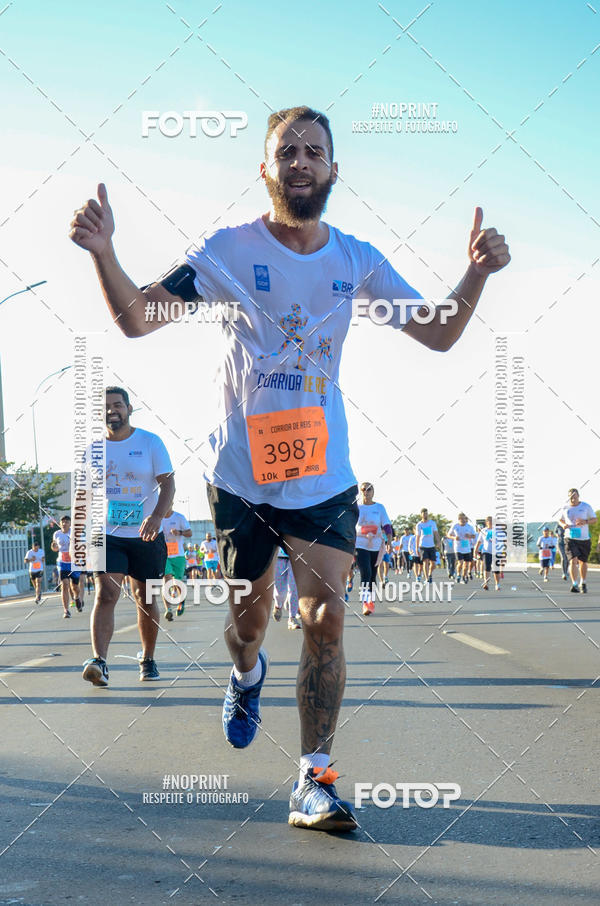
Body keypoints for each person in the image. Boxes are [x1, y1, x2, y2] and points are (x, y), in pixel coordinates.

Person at [69, 104, 510, 831]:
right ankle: (246, 675)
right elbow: (140, 318)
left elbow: (439, 333)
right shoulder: (228, 251)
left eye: (313, 151)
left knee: (325, 619)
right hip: (241, 480)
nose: (300, 161)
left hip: (323, 478)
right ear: (266, 169)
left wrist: (477, 272)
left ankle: (314, 779)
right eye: (287, 151)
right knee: (246, 627)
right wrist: (102, 252)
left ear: (334, 169)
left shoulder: (356, 259)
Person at [78, 388, 174, 685]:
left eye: (118, 405)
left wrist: (156, 516)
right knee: (106, 593)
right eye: (106, 407)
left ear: (129, 408)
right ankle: (99, 662)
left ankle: (148, 659)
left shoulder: (150, 442)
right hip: (107, 533)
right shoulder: (92, 451)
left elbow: (168, 484)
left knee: (146, 598)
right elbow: (84, 495)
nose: (112, 411)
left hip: (146, 534)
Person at [356, 482, 393, 615]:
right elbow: (349, 525)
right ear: (361, 492)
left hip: (376, 545)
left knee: (372, 575)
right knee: (365, 572)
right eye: (363, 490)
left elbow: (387, 525)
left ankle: (370, 601)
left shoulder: (379, 507)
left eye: (369, 489)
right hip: (360, 544)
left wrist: (389, 542)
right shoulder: (356, 507)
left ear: (373, 491)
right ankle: (365, 603)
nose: (366, 492)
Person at [559, 488, 596, 593]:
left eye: (574, 496)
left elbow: (595, 519)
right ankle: (574, 584)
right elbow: (560, 519)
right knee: (573, 560)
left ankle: (583, 582)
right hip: (570, 538)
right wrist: (563, 524)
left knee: (583, 562)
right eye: (570, 497)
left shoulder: (585, 506)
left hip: (584, 538)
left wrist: (585, 521)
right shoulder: (565, 507)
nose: (573, 499)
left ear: (578, 496)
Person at [162, 507, 192, 619]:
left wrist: (179, 532)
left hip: (178, 555)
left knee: (177, 582)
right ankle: (168, 609)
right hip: (164, 555)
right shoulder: (158, 517)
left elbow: (190, 533)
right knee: (167, 578)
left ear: (171, 503)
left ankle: (181, 601)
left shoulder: (179, 517)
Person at [52, 516, 83, 616]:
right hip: (62, 563)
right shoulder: (56, 534)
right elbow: (55, 548)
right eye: (62, 522)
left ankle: (77, 598)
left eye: (66, 522)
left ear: (70, 524)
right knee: (64, 584)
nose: (64, 523)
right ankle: (66, 610)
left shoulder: (74, 533)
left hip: (74, 563)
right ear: (60, 523)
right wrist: (54, 547)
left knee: (75, 587)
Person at [272, 546, 302, 629]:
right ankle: (278, 605)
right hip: (279, 555)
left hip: (296, 556)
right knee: (280, 590)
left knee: (293, 588)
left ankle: (292, 618)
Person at [474, 517, 501, 591]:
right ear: (486, 522)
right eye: (489, 521)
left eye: (492, 521)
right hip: (486, 551)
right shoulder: (483, 531)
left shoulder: (497, 530)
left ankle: (497, 584)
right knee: (487, 567)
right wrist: (475, 551)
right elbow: (479, 542)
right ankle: (486, 583)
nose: (491, 522)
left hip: (496, 552)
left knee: (496, 569)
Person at [449, 514, 476, 583]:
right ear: (459, 519)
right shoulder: (455, 526)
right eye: (462, 519)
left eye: (464, 519)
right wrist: (454, 537)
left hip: (467, 548)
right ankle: (458, 575)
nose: (463, 520)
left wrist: (470, 536)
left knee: (466, 564)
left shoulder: (469, 526)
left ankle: (463, 577)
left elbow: (474, 536)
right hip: (458, 548)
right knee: (460, 562)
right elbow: (448, 535)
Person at [415, 508, 439, 584]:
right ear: (421, 515)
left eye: (426, 513)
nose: (425, 515)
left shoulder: (432, 523)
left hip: (431, 545)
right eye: (424, 513)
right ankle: (427, 579)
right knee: (425, 562)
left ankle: (429, 574)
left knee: (433, 564)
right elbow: (418, 536)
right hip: (423, 545)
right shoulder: (419, 525)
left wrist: (438, 542)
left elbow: (436, 533)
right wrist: (416, 547)